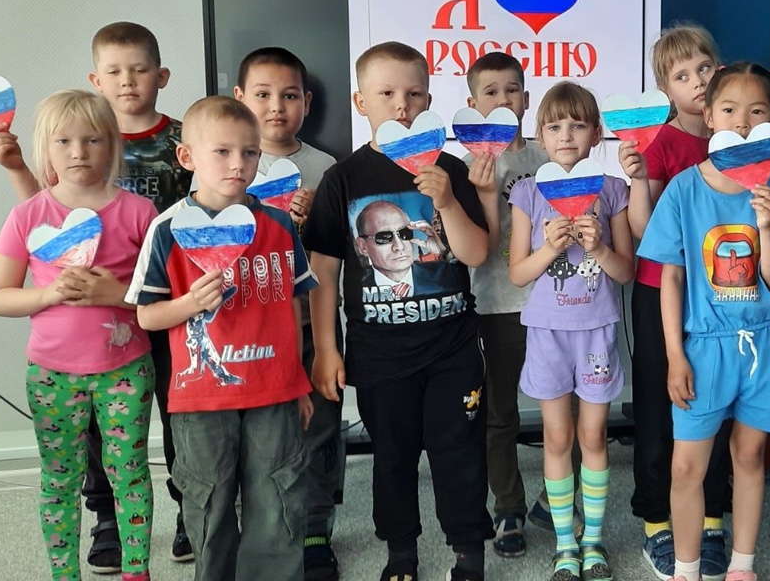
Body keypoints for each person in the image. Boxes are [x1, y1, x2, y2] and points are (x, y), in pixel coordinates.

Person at [0, 21, 195, 571]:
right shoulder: (29, 214)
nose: (78, 152)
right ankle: (69, 565)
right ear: (46, 148)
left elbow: (162, 292)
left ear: (112, 144)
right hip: (52, 371)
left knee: (133, 471)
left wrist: (114, 293)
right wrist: (49, 293)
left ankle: (142, 563)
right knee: (61, 478)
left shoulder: (139, 211)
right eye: (64, 142)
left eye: (92, 140)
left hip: (128, 364)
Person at [303, 41, 493, 581]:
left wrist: (448, 201)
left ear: (429, 100)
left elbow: (476, 254)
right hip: (380, 354)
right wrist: (326, 349)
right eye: (386, 93)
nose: (401, 105)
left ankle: (468, 552)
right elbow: (323, 270)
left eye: (413, 94)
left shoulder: (449, 169)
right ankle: (401, 554)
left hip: (453, 349)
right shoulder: (344, 178)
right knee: (391, 457)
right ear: (361, 102)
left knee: (459, 452)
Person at [127, 96, 317, 581]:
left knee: (279, 497)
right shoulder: (167, 229)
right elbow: (147, 316)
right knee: (208, 501)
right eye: (223, 152)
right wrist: (191, 303)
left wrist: (298, 381)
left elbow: (293, 305)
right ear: (187, 156)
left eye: (250, 152)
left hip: (273, 389)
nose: (238, 164)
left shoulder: (278, 225)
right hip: (202, 397)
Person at [639, 63, 770, 581]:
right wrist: (675, 355)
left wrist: (766, 224)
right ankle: (685, 569)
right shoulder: (684, 190)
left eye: (756, 111)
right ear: (709, 116)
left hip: (769, 343)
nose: (742, 122)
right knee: (686, 466)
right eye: (729, 110)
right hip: (705, 346)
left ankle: (742, 566)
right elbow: (670, 278)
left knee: (750, 455)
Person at [507, 81, 635, 581]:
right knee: (557, 437)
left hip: (597, 330)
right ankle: (565, 543)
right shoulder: (528, 192)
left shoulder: (612, 190)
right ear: (540, 134)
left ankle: (593, 540)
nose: (566, 135)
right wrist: (550, 249)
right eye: (555, 126)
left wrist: (598, 247)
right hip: (547, 333)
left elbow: (624, 271)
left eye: (578, 125)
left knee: (593, 435)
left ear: (596, 133)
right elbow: (518, 273)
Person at [619, 24, 733, 581]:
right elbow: (645, 231)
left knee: (715, 400)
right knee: (658, 403)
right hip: (657, 290)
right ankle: (656, 523)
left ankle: (711, 517)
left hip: (720, 292)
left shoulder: (737, 138)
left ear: (720, 68)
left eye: (704, 68)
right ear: (666, 90)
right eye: (682, 75)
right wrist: (639, 178)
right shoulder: (660, 143)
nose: (697, 81)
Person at [233, 46, 344, 581]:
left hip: (308, 321)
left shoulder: (327, 169)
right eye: (262, 95)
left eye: (289, 96)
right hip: (247, 327)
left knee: (319, 425)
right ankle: (260, 526)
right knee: (256, 431)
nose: (276, 106)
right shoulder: (227, 164)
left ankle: (316, 526)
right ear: (240, 98)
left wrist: (312, 215)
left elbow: (336, 254)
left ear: (307, 102)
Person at [457, 52, 552, 558]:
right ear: (472, 104)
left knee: (567, 408)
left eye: (511, 90)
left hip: (556, 304)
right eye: (490, 92)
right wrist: (484, 192)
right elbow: (473, 243)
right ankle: (508, 506)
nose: (502, 100)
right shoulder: (466, 168)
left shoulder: (549, 154)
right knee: (500, 412)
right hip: (496, 303)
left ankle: (555, 496)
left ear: (526, 99)